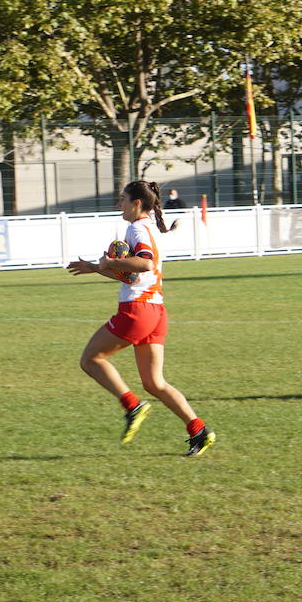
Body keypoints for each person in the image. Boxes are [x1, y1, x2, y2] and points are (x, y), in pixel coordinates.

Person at [67, 180, 216, 455]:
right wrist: (96, 268)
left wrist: (109, 262)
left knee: (90, 359)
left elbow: (144, 263)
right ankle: (199, 430)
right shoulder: (150, 228)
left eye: (122, 199)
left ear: (137, 203)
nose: (119, 204)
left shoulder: (135, 228)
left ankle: (132, 405)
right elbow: (134, 274)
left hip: (137, 310)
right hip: (156, 310)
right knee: (154, 383)